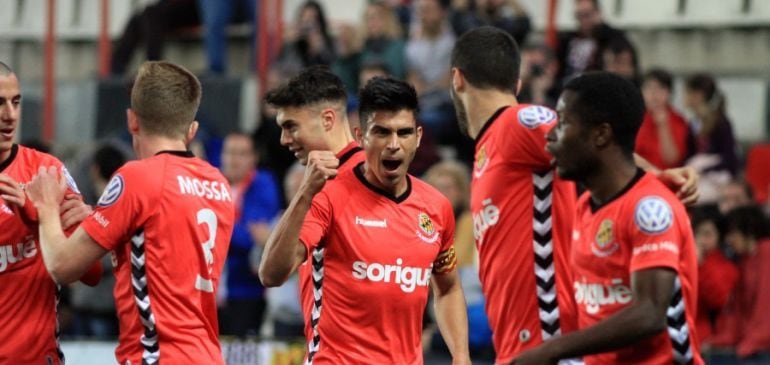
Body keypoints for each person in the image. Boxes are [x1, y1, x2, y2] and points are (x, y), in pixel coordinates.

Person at [448, 26, 699, 365]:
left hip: (549, 341)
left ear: (457, 79)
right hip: (518, 345)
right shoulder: (488, 149)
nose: (558, 134)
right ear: (517, 82)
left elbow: (590, 138)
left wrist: (654, 174)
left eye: (564, 126)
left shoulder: (517, 121)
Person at [25, 61, 235, 364]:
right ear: (192, 130)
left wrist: (45, 207)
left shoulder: (137, 177)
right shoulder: (218, 182)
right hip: (207, 354)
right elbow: (161, 246)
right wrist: (100, 219)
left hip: (157, 355)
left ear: (131, 120)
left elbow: (62, 265)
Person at [259, 76, 471, 364]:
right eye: (382, 132)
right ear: (361, 137)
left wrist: (461, 356)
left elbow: (448, 288)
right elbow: (271, 274)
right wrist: (304, 194)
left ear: (419, 137)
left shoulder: (436, 207)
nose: (394, 145)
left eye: (404, 133)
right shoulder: (327, 196)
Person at [514, 71, 703, 364]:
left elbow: (650, 313)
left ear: (601, 134)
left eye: (562, 123)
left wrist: (552, 349)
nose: (550, 136)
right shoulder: (587, 204)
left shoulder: (649, 210)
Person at [0, 61, 100, 364]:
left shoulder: (47, 172)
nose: (10, 115)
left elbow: (91, 274)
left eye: (16, 102)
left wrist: (39, 215)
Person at [264, 66, 367, 338]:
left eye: (291, 126)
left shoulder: (322, 189)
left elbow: (272, 273)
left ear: (328, 120)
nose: (284, 139)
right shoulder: (382, 176)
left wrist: (303, 193)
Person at [219, 132, 280, 337]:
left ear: (254, 158)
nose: (234, 160)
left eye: (241, 154)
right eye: (229, 153)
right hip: (210, 290)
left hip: (246, 291)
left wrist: (214, 225)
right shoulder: (213, 182)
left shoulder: (263, 184)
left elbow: (251, 237)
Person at [711, 206, 770, 363]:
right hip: (749, 342)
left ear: (748, 231)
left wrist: (752, 342)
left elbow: (765, 306)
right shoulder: (745, 260)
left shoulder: (766, 253)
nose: (729, 240)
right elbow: (737, 309)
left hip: (761, 347)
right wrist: (723, 339)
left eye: (732, 233)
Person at [635, 69, 693, 170]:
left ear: (669, 93)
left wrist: (663, 126)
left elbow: (672, 160)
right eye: (648, 87)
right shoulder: (636, 118)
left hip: (667, 177)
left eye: (660, 88)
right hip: (639, 176)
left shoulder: (678, 120)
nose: (654, 93)